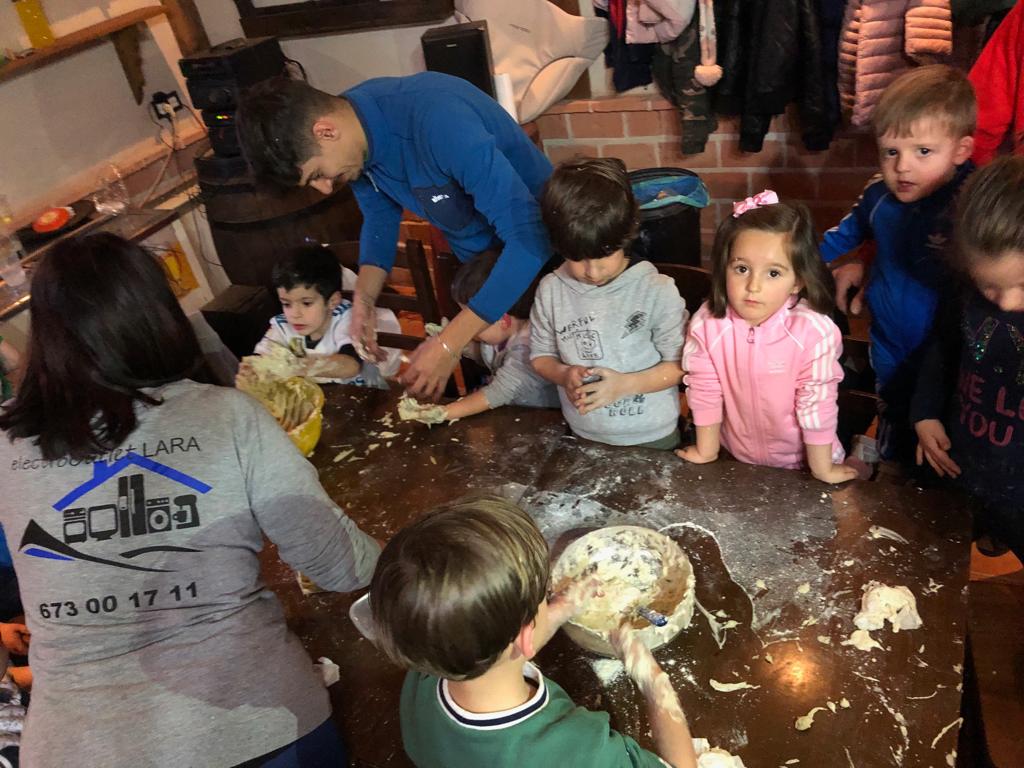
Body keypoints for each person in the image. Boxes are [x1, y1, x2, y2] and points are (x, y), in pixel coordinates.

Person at [0, 233, 381, 767]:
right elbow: (341, 566)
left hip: (75, 748)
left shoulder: (6, 443)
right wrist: (406, 554)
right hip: (258, 730)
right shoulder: (228, 416)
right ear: (159, 317)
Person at [237, 73, 553, 402]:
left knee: (547, 387)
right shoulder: (355, 138)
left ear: (326, 131)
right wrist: (363, 304)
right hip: (485, 274)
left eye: (317, 174)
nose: (326, 188)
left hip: (546, 264)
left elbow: (530, 237)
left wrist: (449, 343)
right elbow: (379, 217)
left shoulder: (438, 120)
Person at [369, 496, 698, 768]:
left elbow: (511, 643)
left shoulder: (427, 658)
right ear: (525, 637)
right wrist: (652, 680)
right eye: (544, 597)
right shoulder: (579, 751)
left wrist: (560, 608)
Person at [819, 65, 976, 466]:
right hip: (888, 339)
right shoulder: (878, 195)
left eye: (923, 151)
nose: (902, 166)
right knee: (893, 410)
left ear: (961, 150)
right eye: (892, 152)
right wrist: (784, 266)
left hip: (949, 349)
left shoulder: (973, 203)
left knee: (943, 432)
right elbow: (836, 239)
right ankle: (891, 464)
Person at [679, 192, 857, 484]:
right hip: (739, 460)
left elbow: (817, 402)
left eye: (773, 273)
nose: (753, 286)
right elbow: (704, 388)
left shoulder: (814, 332)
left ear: (798, 281)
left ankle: (859, 459)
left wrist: (822, 469)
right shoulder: (708, 324)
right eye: (742, 269)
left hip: (806, 464)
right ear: (724, 268)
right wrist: (706, 451)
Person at [530, 158, 687, 449]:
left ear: (627, 232)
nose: (592, 271)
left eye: (604, 254)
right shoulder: (551, 290)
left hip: (653, 436)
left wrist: (626, 385)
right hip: (584, 432)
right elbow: (541, 356)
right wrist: (563, 374)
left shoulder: (656, 290)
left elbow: (680, 365)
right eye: (577, 257)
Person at [911, 157, 1024, 560]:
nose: (1005, 302)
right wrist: (925, 414)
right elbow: (942, 349)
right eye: (989, 286)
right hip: (962, 471)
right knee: (939, 562)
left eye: (1022, 285)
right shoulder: (962, 293)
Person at [425, 250, 560, 421]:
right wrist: (461, 345)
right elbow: (489, 356)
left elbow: (498, 393)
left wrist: (442, 413)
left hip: (537, 417)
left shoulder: (527, 348)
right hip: (510, 409)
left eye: (472, 320)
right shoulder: (500, 333)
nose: (465, 326)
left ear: (502, 320)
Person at [253, 245, 401, 387]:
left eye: (306, 303)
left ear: (332, 301)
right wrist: (253, 368)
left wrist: (296, 366)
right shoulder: (282, 326)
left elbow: (351, 365)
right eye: (286, 304)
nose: (294, 314)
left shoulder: (346, 319)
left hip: (363, 393)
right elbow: (260, 358)